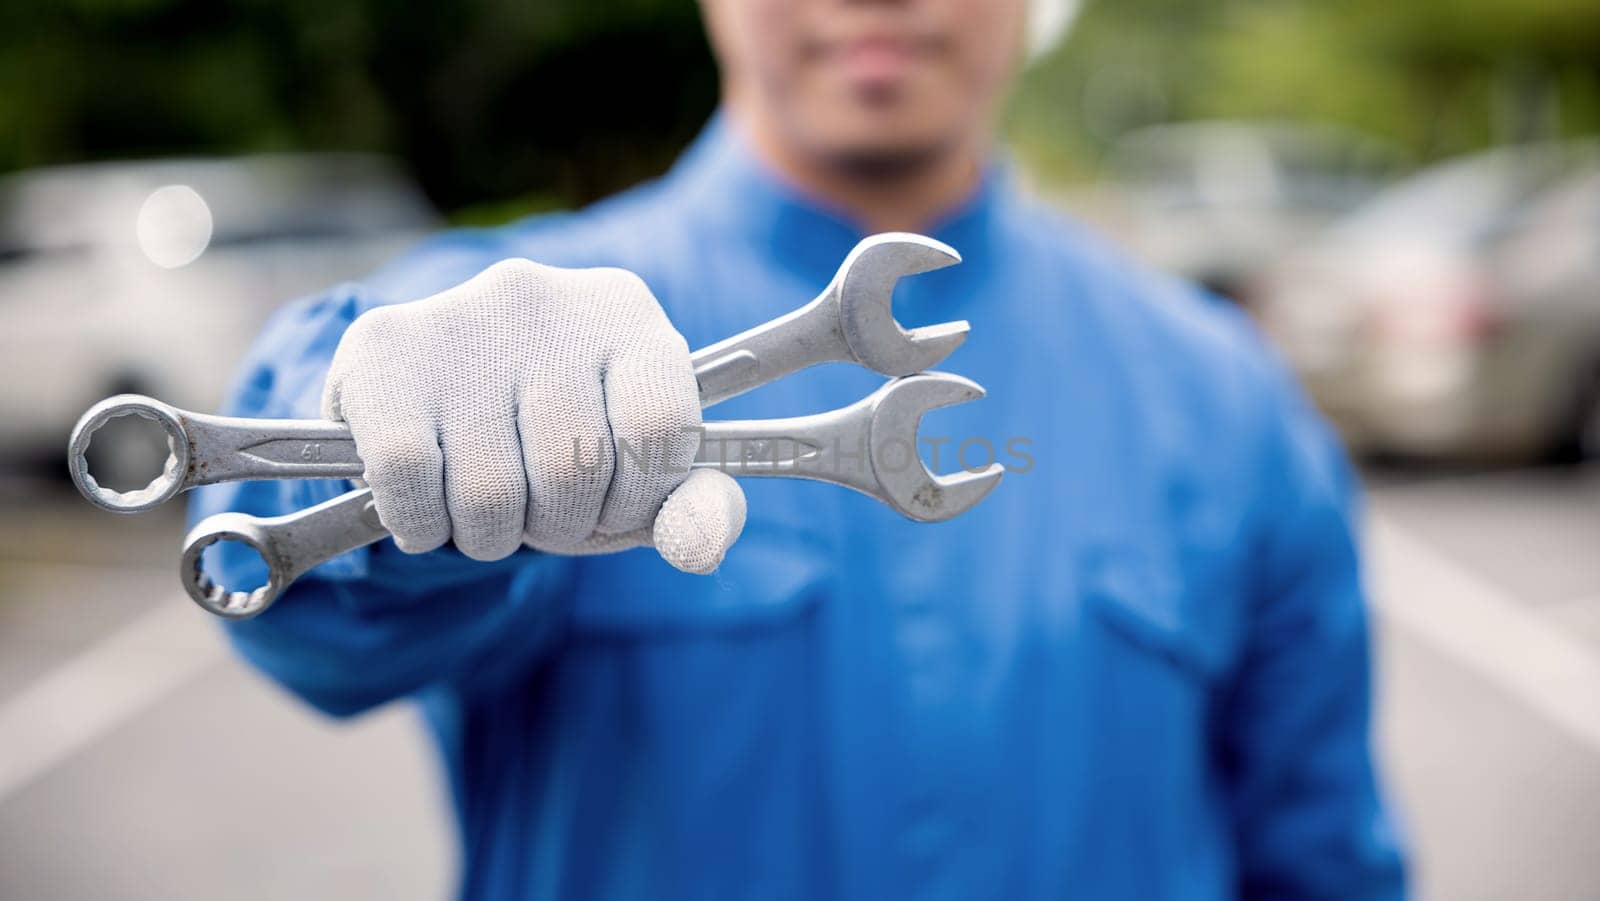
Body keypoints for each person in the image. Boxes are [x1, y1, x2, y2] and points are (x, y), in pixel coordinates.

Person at [193, 1, 1408, 898]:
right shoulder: (524, 317)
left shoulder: (1223, 397)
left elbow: (1319, 856)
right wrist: (385, 422)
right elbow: (305, 614)